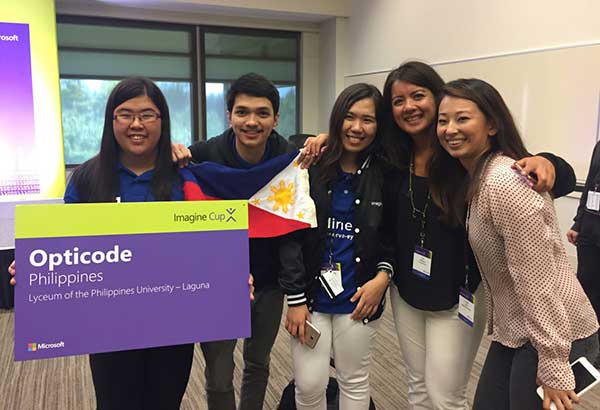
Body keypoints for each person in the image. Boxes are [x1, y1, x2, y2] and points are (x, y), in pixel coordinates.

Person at [302, 61, 576, 410]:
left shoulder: (463, 153)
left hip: (458, 295)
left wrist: (547, 160)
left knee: (446, 394)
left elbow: (541, 174)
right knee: (417, 387)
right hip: (407, 290)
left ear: (438, 97)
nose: (409, 107)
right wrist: (326, 138)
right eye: (398, 101)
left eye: (418, 96)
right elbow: (351, 143)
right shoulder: (391, 155)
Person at [9, 77, 195, 410]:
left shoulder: (185, 178)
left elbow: (206, 247)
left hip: (173, 327)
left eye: (148, 115)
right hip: (110, 328)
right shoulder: (86, 178)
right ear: (111, 121)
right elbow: (67, 248)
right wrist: (34, 268)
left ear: (162, 121)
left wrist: (231, 274)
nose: (136, 124)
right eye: (125, 114)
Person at [431, 78, 599, 410]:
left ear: (492, 124)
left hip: (557, 331)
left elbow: (536, 280)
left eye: (462, 118)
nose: (450, 129)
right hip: (519, 329)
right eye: (443, 120)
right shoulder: (479, 177)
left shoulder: (506, 182)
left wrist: (553, 362)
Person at [173, 72, 308, 410]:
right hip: (217, 284)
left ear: (276, 118)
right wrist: (169, 152)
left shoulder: (288, 158)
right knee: (219, 372)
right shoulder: (202, 156)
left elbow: (292, 229)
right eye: (242, 112)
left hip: (268, 282)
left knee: (258, 363)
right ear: (229, 115)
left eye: (262, 113)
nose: (252, 121)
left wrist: (295, 294)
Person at [289, 82, 395, 410]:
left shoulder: (386, 172)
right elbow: (291, 233)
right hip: (310, 298)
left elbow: (392, 235)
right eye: (349, 117)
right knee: (309, 385)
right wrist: (294, 298)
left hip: (359, 297)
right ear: (337, 119)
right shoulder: (310, 165)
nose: (357, 128)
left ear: (379, 126)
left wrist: (382, 277)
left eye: (368, 120)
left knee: (354, 379)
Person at [567, 140, 600, 366]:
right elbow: (589, 185)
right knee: (585, 291)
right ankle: (583, 347)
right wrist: (578, 223)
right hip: (590, 231)